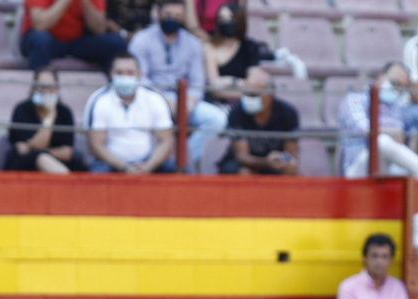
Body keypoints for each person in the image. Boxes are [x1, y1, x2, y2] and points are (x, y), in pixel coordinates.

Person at [130, 0, 226, 169]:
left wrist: (189, 101)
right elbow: (139, 80)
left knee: (217, 119)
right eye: (168, 15)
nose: (172, 19)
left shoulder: (193, 43)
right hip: (151, 99)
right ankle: (150, 163)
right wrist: (163, 101)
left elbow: (197, 82)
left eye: (177, 16)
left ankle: (184, 159)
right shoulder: (141, 40)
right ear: (158, 14)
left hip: (185, 100)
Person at [338, 63, 418, 179]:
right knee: (381, 141)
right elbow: (364, 129)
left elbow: (411, 132)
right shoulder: (355, 99)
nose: (396, 90)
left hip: (390, 169)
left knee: (413, 174)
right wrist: (389, 133)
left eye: (401, 88)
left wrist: (413, 138)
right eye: (394, 83)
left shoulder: (399, 107)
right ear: (381, 77)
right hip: (358, 170)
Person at [85, 52, 174, 172]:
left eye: (130, 73)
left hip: (148, 162)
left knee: (175, 169)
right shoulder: (99, 100)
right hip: (110, 163)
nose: (125, 77)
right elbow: (95, 145)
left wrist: (148, 166)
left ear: (139, 75)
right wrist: (124, 167)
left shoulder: (155, 98)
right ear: (111, 74)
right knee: (97, 172)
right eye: (119, 73)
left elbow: (166, 140)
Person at [218, 67, 298, 175]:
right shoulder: (237, 113)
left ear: (270, 94)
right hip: (243, 165)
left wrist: (283, 160)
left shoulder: (288, 113)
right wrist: (266, 162)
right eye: (246, 94)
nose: (248, 99)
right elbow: (241, 156)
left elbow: (291, 153)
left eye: (253, 95)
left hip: (275, 164)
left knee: (291, 167)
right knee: (244, 172)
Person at [4, 66, 81, 172]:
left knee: (78, 163)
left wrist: (35, 149)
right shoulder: (22, 110)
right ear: (33, 89)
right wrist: (51, 115)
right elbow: (38, 145)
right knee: (40, 158)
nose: (46, 92)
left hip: (58, 162)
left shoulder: (65, 112)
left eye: (50, 87)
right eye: (41, 87)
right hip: (24, 165)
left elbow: (67, 152)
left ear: (57, 89)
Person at [20, 0, 127, 73]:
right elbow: (40, 25)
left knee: (116, 44)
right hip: (44, 39)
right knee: (40, 40)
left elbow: (99, 29)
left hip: (76, 41)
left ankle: (116, 98)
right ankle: (39, 93)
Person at [204, 2, 276, 105]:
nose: (226, 22)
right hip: (216, 105)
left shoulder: (250, 47)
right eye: (222, 18)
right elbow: (214, 87)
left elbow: (253, 85)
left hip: (245, 104)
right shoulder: (209, 47)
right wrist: (236, 82)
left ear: (239, 20)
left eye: (231, 18)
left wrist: (225, 82)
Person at [335, 233, 413, 299]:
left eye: (384, 257)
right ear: (364, 259)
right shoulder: (348, 287)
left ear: (391, 261)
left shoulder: (397, 286)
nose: (379, 261)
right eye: (374, 256)